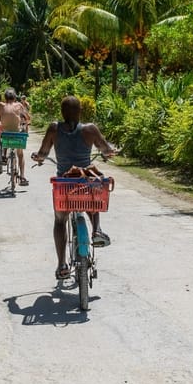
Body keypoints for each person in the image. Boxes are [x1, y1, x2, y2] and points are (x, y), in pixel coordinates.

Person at [30, 95, 118, 280]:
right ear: (80, 112)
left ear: (62, 113)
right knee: (94, 195)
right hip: (84, 181)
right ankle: (96, 230)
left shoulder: (54, 128)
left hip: (65, 183)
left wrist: (37, 157)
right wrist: (110, 152)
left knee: (60, 221)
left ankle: (62, 264)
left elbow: (43, 153)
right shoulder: (90, 129)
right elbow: (105, 148)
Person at [0, 88, 31, 185]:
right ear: (15, 97)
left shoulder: (0, 105)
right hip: (17, 134)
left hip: (5, 135)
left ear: (5, 97)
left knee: (4, 140)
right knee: (20, 154)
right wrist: (25, 124)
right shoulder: (19, 105)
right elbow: (28, 118)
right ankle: (23, 176)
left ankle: (4, 155)